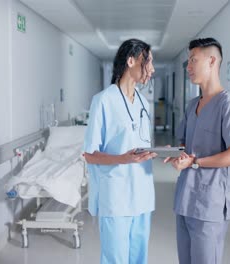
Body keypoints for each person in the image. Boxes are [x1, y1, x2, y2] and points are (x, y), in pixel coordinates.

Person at [165, 38, 230, 264]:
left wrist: (194, 162)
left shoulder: (228, 104)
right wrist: (175, 152)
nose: (188, 67)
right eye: (188, 61)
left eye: (193, 60)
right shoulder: (193, 104)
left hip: (210, 204)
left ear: (212, 61)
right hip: (186, 198)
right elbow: (187, 146)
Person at [83, 38, 157, 264]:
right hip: (117, 197)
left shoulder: (144, 102)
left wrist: (158, 151)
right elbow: (90, 153)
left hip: (142, 195)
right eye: (149, 62)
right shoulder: (103, 100)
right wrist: (123, 159)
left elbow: (140, 141)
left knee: (138, 259)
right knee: (116, 259)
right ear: (131, 60)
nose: (152, 69)